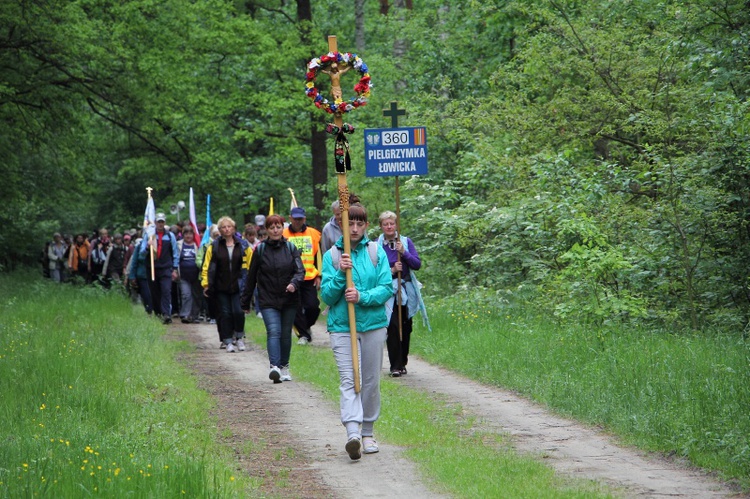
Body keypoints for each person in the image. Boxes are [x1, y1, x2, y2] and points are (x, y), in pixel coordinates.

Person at [321, 203, 392, 460]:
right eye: (349, 223)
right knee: (350, 380)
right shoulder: (331, 255)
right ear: (340, 224)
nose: (354, 228)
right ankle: (352, 432)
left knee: (371, 380)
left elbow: (386, 288)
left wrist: (361, 296)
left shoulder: (376, 252)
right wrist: (341, 273)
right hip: (342, 326)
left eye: (359, 223)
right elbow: (327, 294)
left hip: (373, 325)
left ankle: (368, 432)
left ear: (366, 225)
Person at [241, 214, 305, 383]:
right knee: (273, 331)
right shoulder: (260, 250)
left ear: (282, 228)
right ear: (267, 230)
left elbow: (300, 271)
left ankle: (284, 366)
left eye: (278, 227)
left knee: (285, 334)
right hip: (268, 299)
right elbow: (251, 276)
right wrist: (245, 301)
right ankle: (274, 366)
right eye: (272, 228)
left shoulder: (291, 248)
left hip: (289, 299)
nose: (275, 230)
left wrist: (294, 283)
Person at [378, 211, 427, 377]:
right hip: (387, 291)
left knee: (405, 328)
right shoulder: (377, 245)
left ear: (396, 225)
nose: (389, 227)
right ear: (381, 227)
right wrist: (391, 270)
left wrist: (404, 252)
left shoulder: (405, 242)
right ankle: (395, 365)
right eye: (386, 224)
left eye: (392, 223)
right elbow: (374, 269)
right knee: (392, 326)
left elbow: (417, 264)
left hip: (405, 290)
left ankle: (402, 360)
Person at [201, 216, 252, 352]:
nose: (227, 229)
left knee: (238, 312)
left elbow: (251, 266)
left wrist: (251, 283)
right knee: (225, 314)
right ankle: (227, 340)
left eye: (229, 226)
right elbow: (206, 266)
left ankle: (239, 337)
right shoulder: (214, 247)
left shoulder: (243, 245)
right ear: (219, 230)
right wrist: (206, 284)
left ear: (234, 228)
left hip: (239, 285)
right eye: (223, 227)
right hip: (220, 286)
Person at [283, 206, 322, 345]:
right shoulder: (283, 235)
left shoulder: (314, 234)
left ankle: (305, 326)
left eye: (300, 219)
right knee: (294, 307)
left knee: (313, 306)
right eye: (295, 219)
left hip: (309, 276)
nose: (297, 221)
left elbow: (318, 256)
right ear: (290, 218)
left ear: (304, 219)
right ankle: (303, 336)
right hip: (290, 278)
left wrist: (320, 275)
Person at [140, 213, 179, 323]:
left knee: (166, 290)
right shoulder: (149, 235)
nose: (160, 224)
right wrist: (148, 246)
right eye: (158, 222)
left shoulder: (170, 236)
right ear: (155, 223)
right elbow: (141, 254)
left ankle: (166, 314)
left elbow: (175, 253)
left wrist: (175, 268)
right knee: (155, 291)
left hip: (166, 268)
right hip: (152, 268)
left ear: (164, 223)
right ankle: (158, 313)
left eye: (162, 222)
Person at [177, 227, 202, 323]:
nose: (188, 236)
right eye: (186, 234)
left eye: (190, 234)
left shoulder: (197, 244)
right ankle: (185, 314)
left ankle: (194, 315)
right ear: (183, 235)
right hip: (183, 275)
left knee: (196, 295)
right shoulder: (179, 244)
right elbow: (176, 258)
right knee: (186, 294)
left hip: (196, 275)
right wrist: (175, 270)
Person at [127, 237, 154, 315]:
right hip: (142, 275)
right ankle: (149, 310)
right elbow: (134, 261)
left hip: (154, 274)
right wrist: (132, 276)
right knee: (146, 294)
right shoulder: (139, 246)